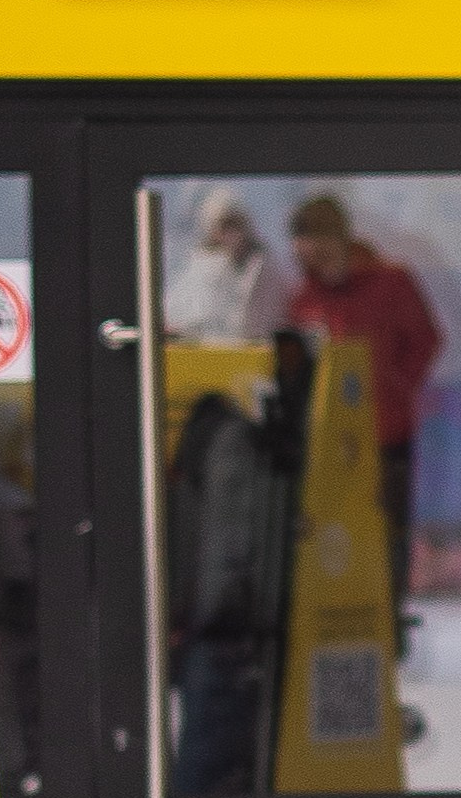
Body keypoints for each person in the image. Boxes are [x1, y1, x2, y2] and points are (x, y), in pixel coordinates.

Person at [285, 192, 443, 625]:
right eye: (302, 251)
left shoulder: (391, 282)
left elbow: (426, 338)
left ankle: (389, 620)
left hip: (386, 431)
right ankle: (344, 618)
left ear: (335, 239)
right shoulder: (304, 299)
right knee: (337, 535)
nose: (309, 259)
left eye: (314, 246)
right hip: (328, 443)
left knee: (389, 532)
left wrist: (397, 386)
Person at [164, 187, 286, 344]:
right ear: (211, 230)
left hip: (254, 354)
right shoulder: (198, 269)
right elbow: (182, 319)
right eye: (224, 226)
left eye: (236, 224)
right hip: (210, 354)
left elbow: (275, 319)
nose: (232, 234)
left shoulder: (266, 268)